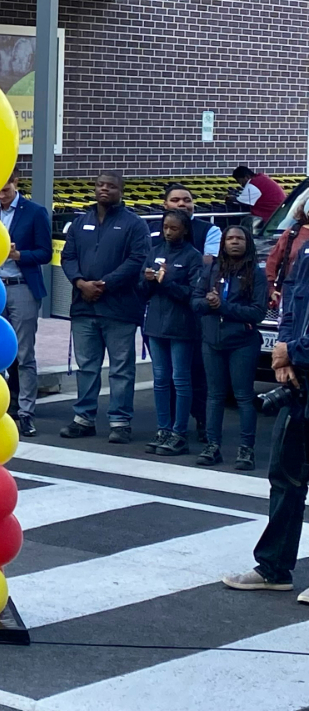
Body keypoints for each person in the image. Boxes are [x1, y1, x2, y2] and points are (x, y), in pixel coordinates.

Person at [222, 214, 309, 597]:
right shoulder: (304, 247)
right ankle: (274, 567)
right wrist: (285, 352)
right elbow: (291, 301)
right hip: (301, 378)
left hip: (301, 361)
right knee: (285, 476)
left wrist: (294, 350)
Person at [59, 171, 152, 443]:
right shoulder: (79, 222)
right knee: (86, 366)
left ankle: (120, 422)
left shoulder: (135, 225)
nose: (104, 190)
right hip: (83, 307)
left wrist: (104, 284)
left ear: (120, 190)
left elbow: (138, 260)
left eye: (110, 186)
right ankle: (83, 419)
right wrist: (79, 282)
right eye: (100, 185)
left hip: (120, 308)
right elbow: (68, 257)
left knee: (121, 368)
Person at [0, 170, 53, 436]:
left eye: (6, 190)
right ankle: (0, 406)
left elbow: (45, 252)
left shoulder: (34, 212)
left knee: (24, 352)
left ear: (16, 184)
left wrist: (19, 254)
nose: (1, 196)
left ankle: (26, 412)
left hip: (21, 286)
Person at [198, 225, 266, 470]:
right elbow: (194, 301)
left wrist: (223, 307)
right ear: (223, 243)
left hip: (242, 343)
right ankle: (212, 446)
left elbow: (257, 312)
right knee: (214, 396)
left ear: (247, 242)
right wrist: (208, 302)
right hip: (212, 341)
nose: (234, 242)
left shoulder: (255, 273)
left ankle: (246, 450)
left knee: (243, 397)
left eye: (239, 238)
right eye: (230, 238)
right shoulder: (212, 269)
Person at [141, 209, 206, 456]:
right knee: (160, 379)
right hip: (156, 325)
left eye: (174, 228)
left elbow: (192, 294)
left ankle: (180, 432)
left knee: (180, 379)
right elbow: (142, 291)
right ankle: (163, 429)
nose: (168, 232)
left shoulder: (193, 257)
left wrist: (165, 282)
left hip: (181, 326)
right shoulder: (155, 251)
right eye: (166, 227)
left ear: (185, 230)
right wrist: (147, 280)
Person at [229, 165, 286, 230]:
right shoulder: (261, 179)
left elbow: (241, 201)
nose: (241, 184)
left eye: (240, 181)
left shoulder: (253, 184)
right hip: (279, 212)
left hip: (271, 216)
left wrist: (230, 198)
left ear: (246, 177)